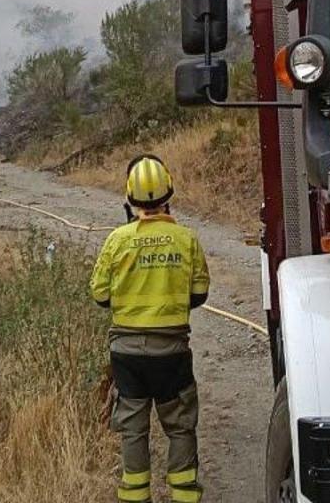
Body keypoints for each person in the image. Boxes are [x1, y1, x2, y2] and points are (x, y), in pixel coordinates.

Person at [89, 155, 210, 503]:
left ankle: (136, 496)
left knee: (132, 429)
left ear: (129, 198)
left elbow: (100, 295)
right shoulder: (186, 239)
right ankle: (185, 495)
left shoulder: (116, 240)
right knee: (181, 426)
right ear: (168, 193)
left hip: (127, 356)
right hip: (172, 353)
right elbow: (199, 294)